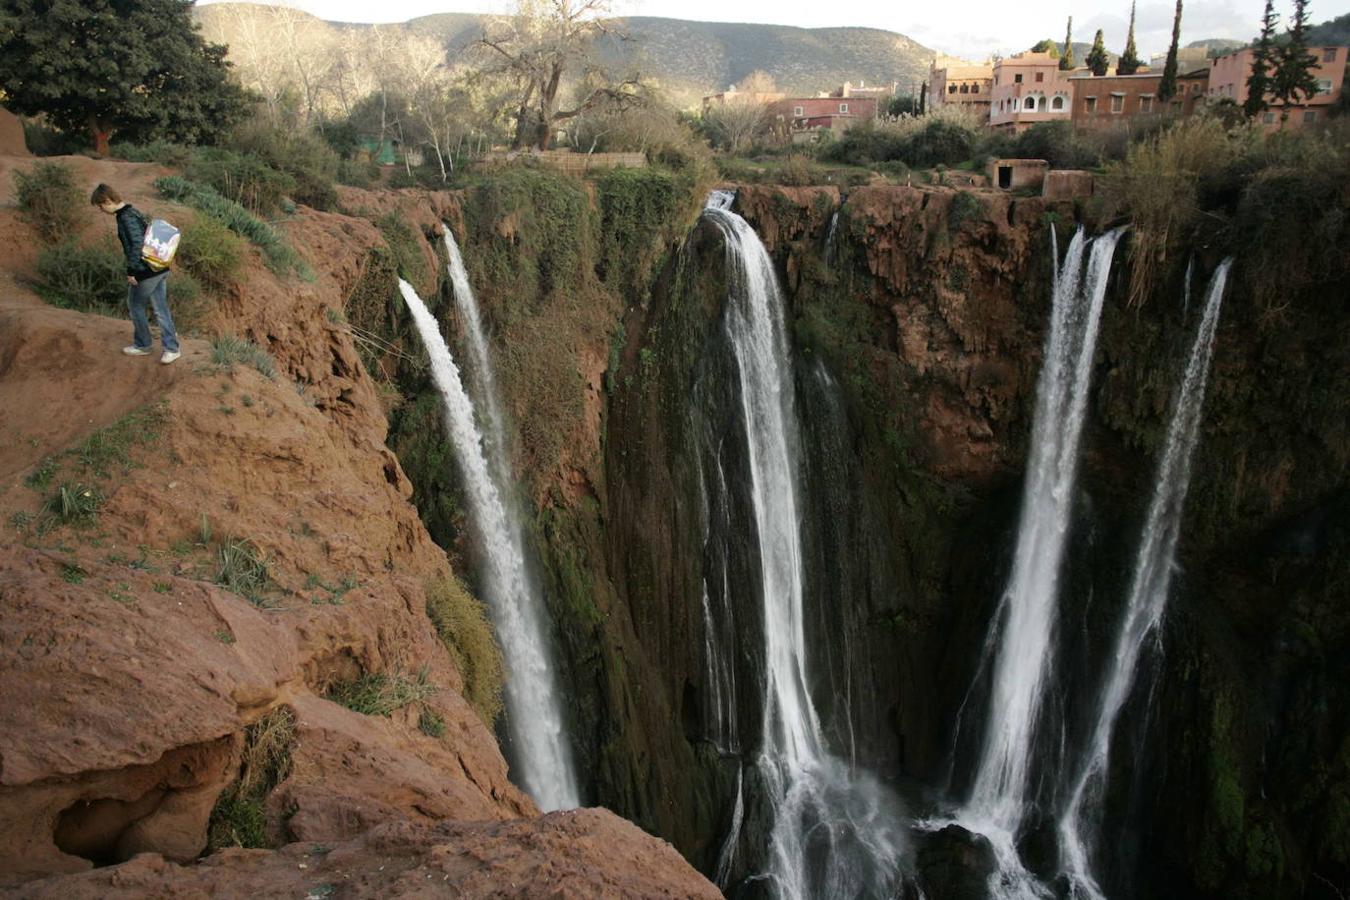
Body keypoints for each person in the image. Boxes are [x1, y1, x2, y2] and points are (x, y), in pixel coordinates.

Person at [90, 183, 180, 364]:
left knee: (135, 305)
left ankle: (143, 345)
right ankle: (171, 348)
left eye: (100, 206)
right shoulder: (133, 212)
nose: (101, 210)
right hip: (159, 267)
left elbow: (137, 246)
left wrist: (133, 272)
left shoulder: (125, 218)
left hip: (147, 271)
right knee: (161, 309)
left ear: (107, 201)